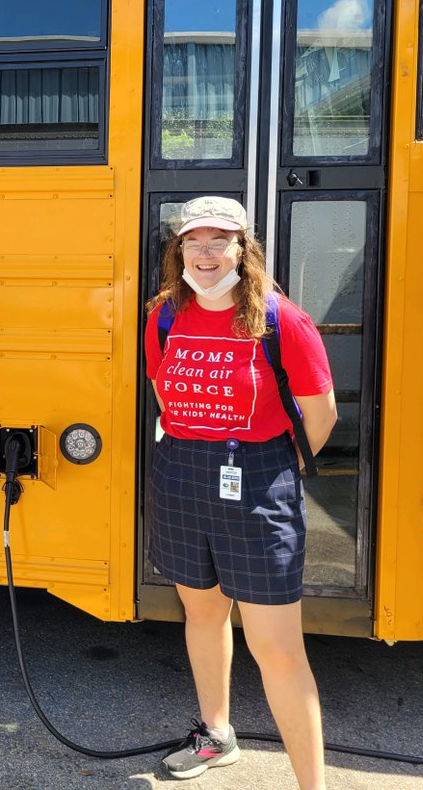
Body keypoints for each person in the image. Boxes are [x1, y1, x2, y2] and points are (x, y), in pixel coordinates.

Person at [143, 196, 337, 789]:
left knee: (277, 649)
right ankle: (216, 735)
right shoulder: (164, 316)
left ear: (242, 248)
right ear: (178, 251)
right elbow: (161, 387)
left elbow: (320, 412)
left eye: (218, 240)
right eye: (192, 241)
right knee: (202, 613)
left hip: (257, 478)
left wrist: (275, 467)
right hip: (182, 472)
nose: (205, 253)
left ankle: (313, 785)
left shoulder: (281, 318)